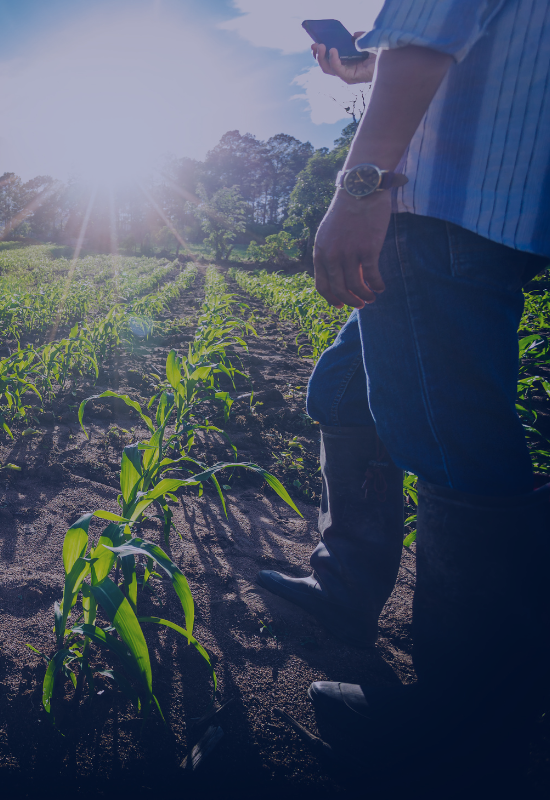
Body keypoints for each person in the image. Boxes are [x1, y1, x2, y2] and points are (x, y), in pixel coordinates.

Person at [255, 0, 550, 783]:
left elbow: (426, 33)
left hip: (438, 207)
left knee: (452, 438)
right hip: (481, 206)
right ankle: (344, 582)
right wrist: (359, 65)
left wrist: (360, 186)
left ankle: (472, 718)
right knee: (347, 391)